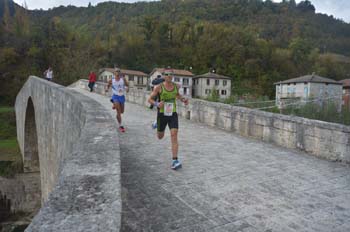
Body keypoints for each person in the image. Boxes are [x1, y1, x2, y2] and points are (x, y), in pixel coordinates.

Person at [148, 68, 189, 170]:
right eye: (167, 74)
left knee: (174, 135)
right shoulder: (159, 88)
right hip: (162, 115)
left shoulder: (176, 86)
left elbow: (177, 95)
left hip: (172, 114)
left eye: (171, 74)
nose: (169, 76)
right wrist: (157, 103)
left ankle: (175, 160)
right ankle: (157, 123)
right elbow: (149, 99)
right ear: (164, 76)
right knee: (160, 136)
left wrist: (183, 99)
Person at [105, 68, 129, 132]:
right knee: (118, 112)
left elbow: (127, 85)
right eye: (116, 72)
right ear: (114, 73)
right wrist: (107, 89)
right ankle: (120, 125)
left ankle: (114, 105)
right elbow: (108, 85)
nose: (118, 73)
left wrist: (127, 89)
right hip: (115, 96)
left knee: (122, 111)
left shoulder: (123, 79)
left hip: (122, 96)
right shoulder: (111, 80)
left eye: (119, 72)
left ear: (120, 73)